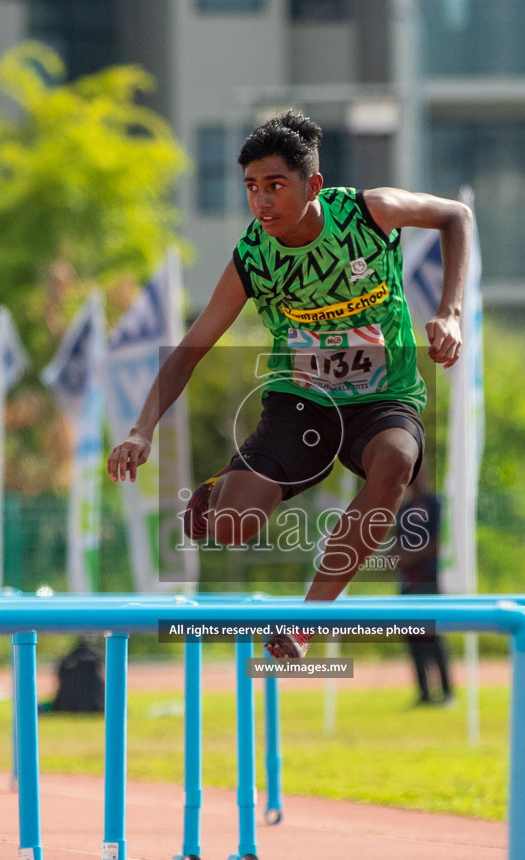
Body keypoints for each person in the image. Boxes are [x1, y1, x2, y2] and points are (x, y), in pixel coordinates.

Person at [106, 111, 471, 658]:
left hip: (384, 397)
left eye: (275, 186)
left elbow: (456, 216)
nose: (262, 202)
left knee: (395, 460)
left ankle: (308, 619)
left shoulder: (370, 213)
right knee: (231, 525)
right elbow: (192, 348)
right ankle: (217, 492)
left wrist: (452, 311)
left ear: (313, 185)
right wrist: (141, 428)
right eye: (252, 188)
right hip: (303, 403)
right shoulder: (255, 257)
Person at [395, 477, 452, 705]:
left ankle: (447, 692)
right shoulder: (404, 509)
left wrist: (411, 556)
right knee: (413, 637)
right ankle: (424, 693)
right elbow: (398, 543)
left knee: (434, 637)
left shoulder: (436, 505)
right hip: (408, 583)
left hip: (430, 581)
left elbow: (441, 542)